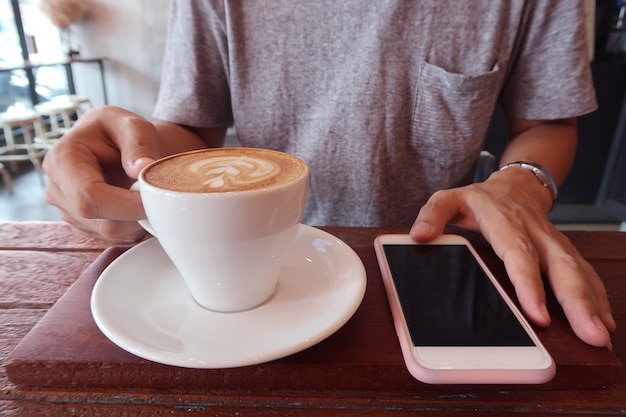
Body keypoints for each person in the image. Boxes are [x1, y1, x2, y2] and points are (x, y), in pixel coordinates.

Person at [43, 0, 615, 348]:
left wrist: (517, 184)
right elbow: (192, 135)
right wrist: (127, 161)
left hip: (433, 262)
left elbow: (549, 121)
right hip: (249, 265)